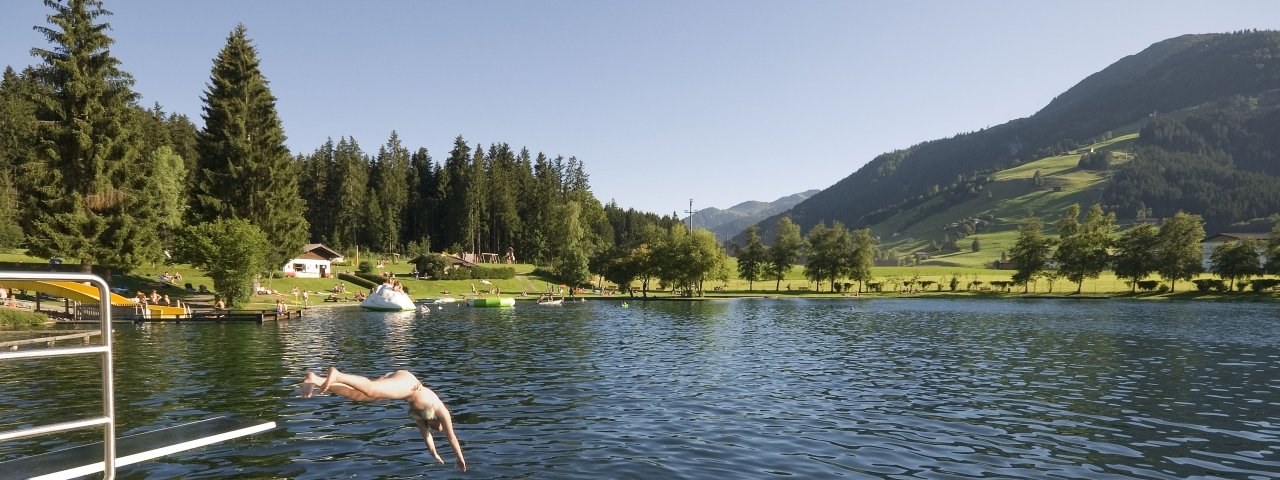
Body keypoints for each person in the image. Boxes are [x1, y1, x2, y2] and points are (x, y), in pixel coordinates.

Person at [301, 367, 466, 472]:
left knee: (360, 396)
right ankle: (337, 375)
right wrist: (459, 456)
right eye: (438, 426)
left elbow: (427, 439)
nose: (436, 427)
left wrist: (435, 454)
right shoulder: (441, 410)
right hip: (409, 384)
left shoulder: (421, 418)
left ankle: (316, 380)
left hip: (405, 386)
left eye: (435, 427)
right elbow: (451, 438)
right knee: (372, 391)